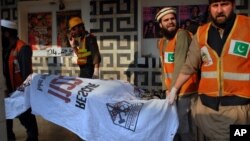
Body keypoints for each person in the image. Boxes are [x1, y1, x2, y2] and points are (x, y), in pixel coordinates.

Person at [168, 0, 250, 140]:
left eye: (224, 4)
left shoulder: (247, 26)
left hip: (239, 108)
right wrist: (174, 89)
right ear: (209, 8)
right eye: (215, 6)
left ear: (233, 5)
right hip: (207, 110)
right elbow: (190, 65)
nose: (219, 10)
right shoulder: (201, 32)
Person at [155, 7, 200, 141]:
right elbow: (164, 68)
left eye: (173, 19)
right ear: (160, 24)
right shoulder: (162, 42)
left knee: (183, 128)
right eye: (166, 20)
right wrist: (166, 90)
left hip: (186, 90)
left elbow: (180, 64)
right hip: (172, 92)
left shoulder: (182, 35)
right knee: (174, 127)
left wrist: (173, 89)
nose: (170, 22)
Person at [1, 19, 39, 141]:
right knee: (7, 118)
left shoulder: (22, 48)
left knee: (26, 116)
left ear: (7, 33)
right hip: (7, 92)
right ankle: (9, 137)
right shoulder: (5, 49)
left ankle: (33, 137)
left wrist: (23, 93)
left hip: (20, 92)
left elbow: (27, 75)